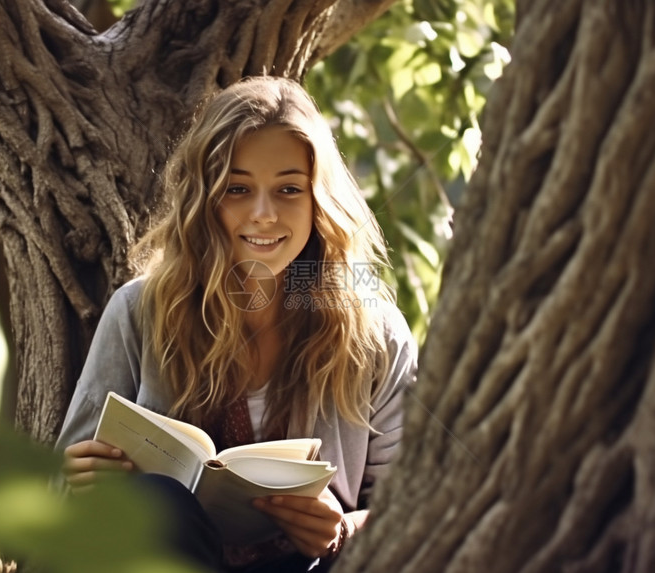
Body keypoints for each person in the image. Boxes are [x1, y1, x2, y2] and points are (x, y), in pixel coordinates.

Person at [55, 76, 417, 572]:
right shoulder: (140, 310)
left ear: (319, 202)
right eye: (237, 189)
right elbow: (55, 496)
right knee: (157, 501)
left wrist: (341, 531)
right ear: (204, 199)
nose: (264, 214)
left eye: (289, 189)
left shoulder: (373, 330)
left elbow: (420, 505)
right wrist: (81, 478)